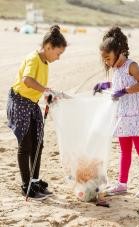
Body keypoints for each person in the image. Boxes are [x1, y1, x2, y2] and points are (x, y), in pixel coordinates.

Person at [93, 27, 139, 198]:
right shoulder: (116, 69)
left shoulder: (131, 65)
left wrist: (125, 91)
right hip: (122, 113)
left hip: (135, 112)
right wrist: (104, 85)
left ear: (119, 52)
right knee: (125, 150)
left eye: (108, 58)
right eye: (104, 59)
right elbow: (117, 85)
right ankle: (122, 184)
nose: (106, 62)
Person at [6, 25, 67, 200]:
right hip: (19, 102)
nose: (59, 57)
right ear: (48, 46)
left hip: (31, 104)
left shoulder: (45, 62)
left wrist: (46, 94)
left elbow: (38, 87)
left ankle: (35, 180)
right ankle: (27, 186)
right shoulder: (33, 58)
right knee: (25, 146)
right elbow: (27, 80)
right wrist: (45, 90)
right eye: (58, 53)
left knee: (38, 144)